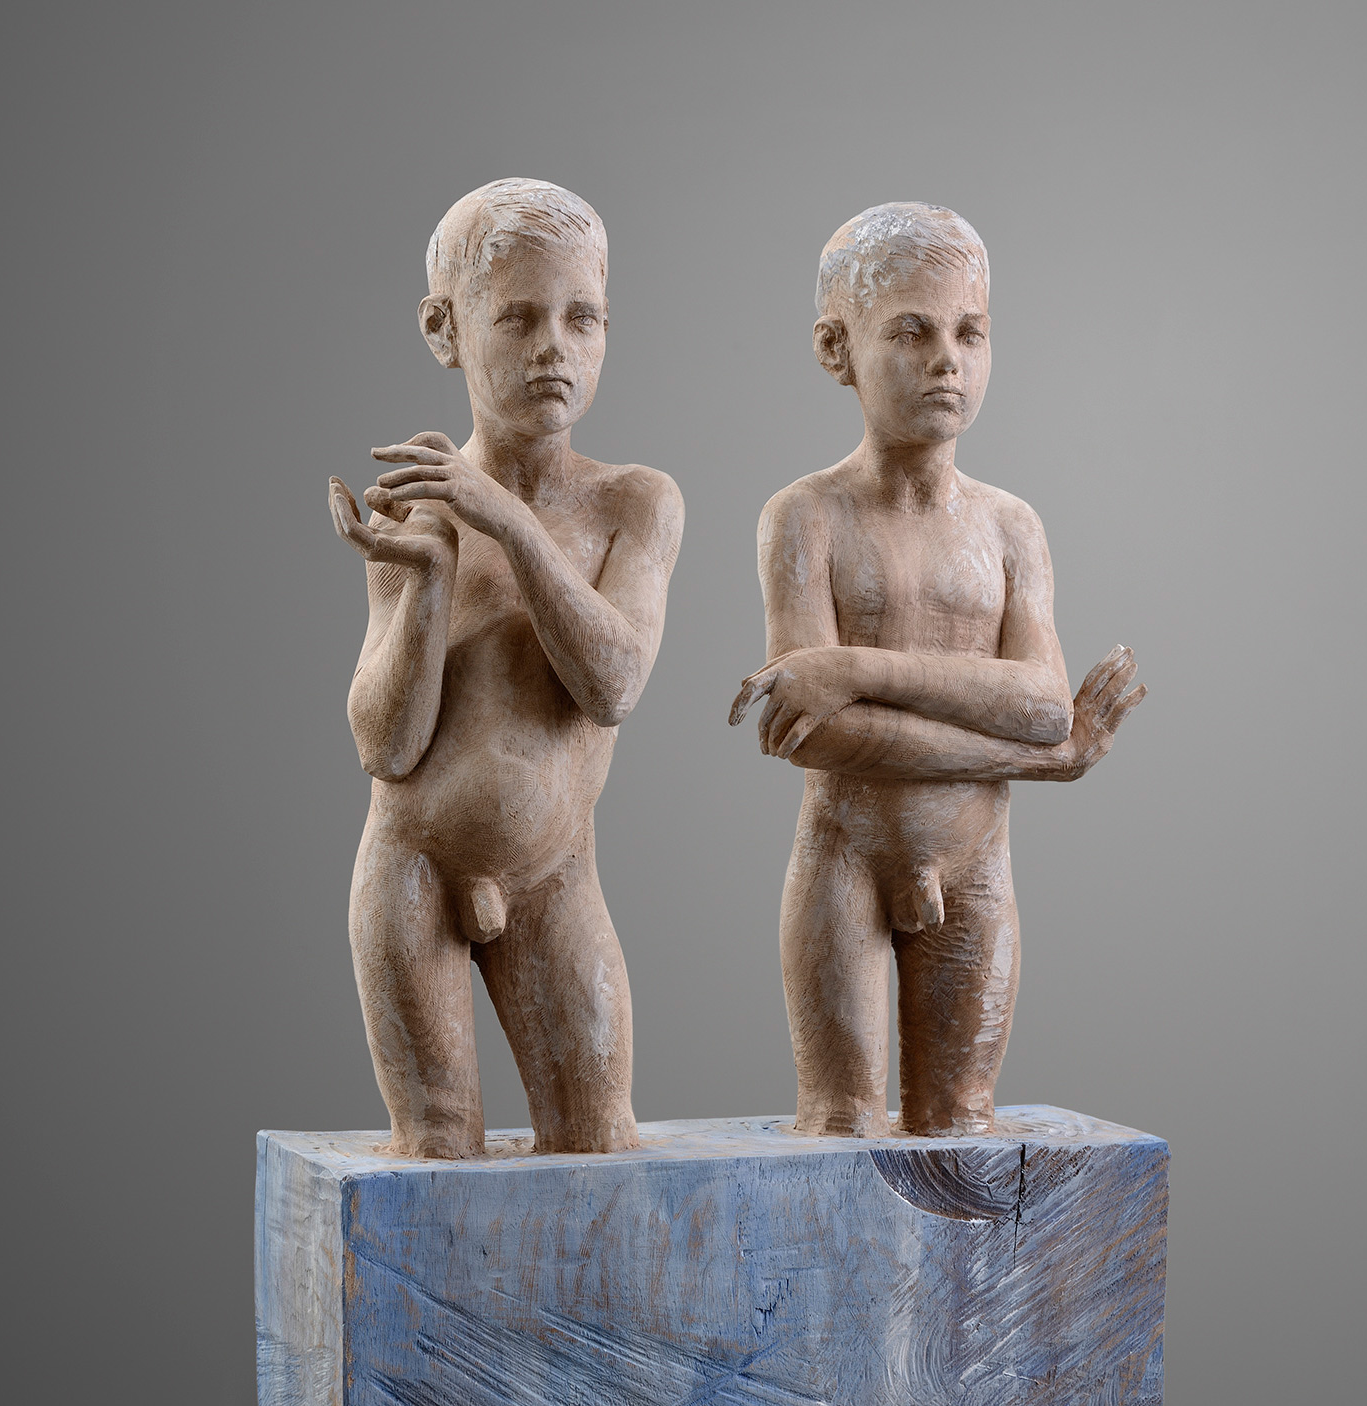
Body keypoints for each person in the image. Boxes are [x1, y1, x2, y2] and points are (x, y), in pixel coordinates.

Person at [730, 202, 1145, 1138]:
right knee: (837, 1131)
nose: (947, 360)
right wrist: (1041, 761)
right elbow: (815, 733)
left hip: (976, 868)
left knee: (961, 1132)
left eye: (970, 333)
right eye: (911, 332)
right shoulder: (805, 517)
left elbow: (1041, 704)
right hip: (843, 858)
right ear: (837, 348)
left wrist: (850, 665)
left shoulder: (1009, 527)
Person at [328, 178, 683, 1157]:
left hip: (554, 874)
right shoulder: (418, 506)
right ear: (445, 329)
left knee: (596, 1144)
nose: (552, 347)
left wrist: (509, 520)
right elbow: (385, 744)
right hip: (412, 870)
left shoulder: (634, 504)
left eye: (581, 317)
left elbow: (613, 682)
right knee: (436, 1153)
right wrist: (432, 575)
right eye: (518, 317)